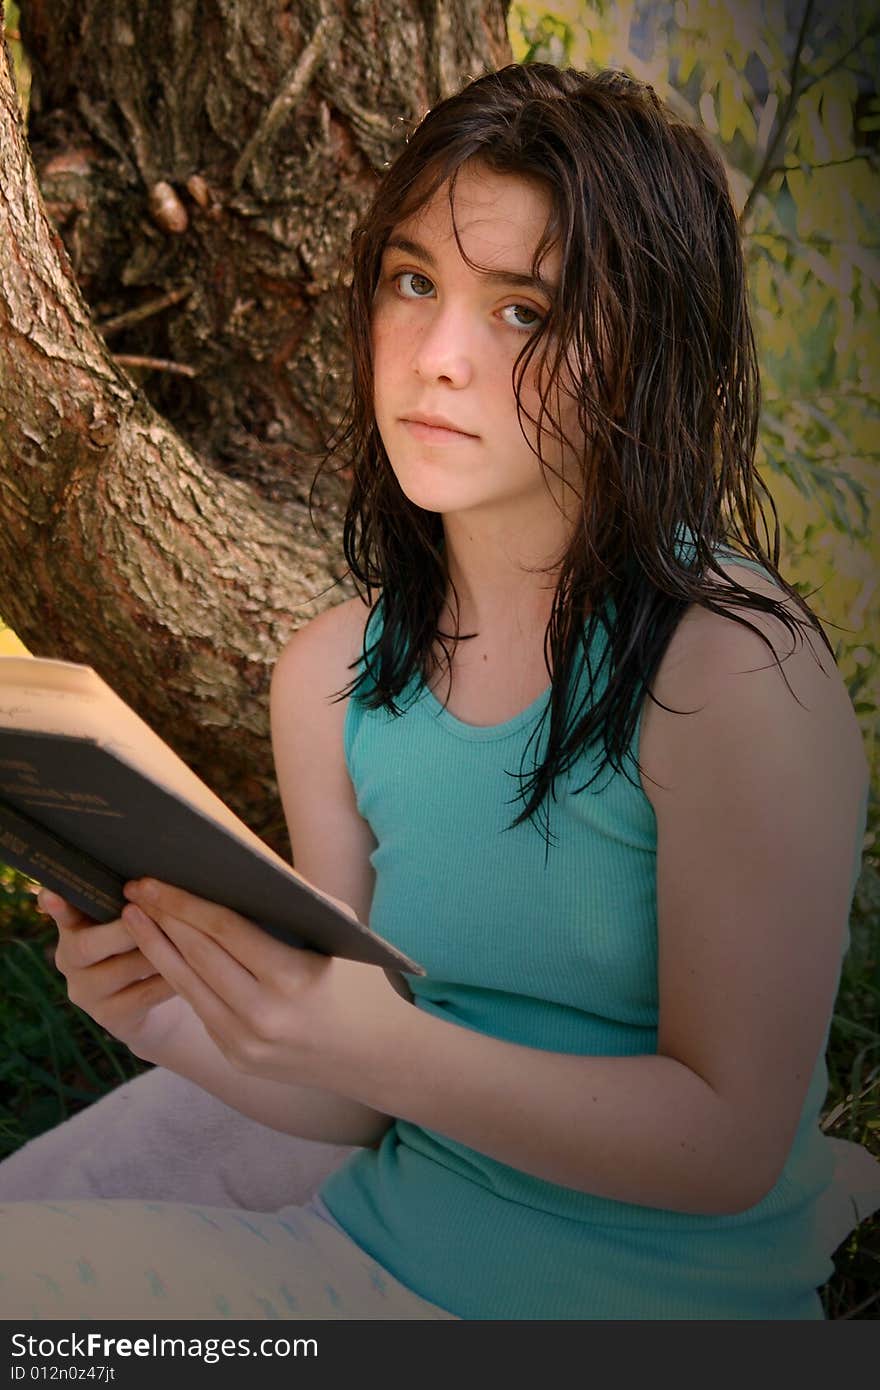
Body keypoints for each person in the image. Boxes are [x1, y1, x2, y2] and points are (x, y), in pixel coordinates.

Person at [1, 61, 877, 1321]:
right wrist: (167, 1014)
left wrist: (377, 1041)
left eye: (524, 310)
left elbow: (728, 1146)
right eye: (414, 283)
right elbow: (356, 1097)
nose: (438, 357)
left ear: (647, 351)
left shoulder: (731, 669)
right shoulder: (335, 679)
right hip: (360, 1265)